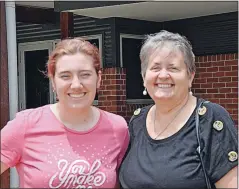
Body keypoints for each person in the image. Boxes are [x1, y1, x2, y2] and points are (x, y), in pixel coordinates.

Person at [1, 38, 129, 188]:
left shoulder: (117, 128)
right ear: (53, 82)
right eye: (65, 76)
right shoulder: (26, 125)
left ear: (99, 79)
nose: (76, 85)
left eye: (85, 74)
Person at [119, 30, 238, 188]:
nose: (163, 75)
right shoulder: (137, 121)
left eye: (173, 68)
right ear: (143, 77)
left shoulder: (210, 119)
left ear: (190, 76)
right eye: (155, 68)